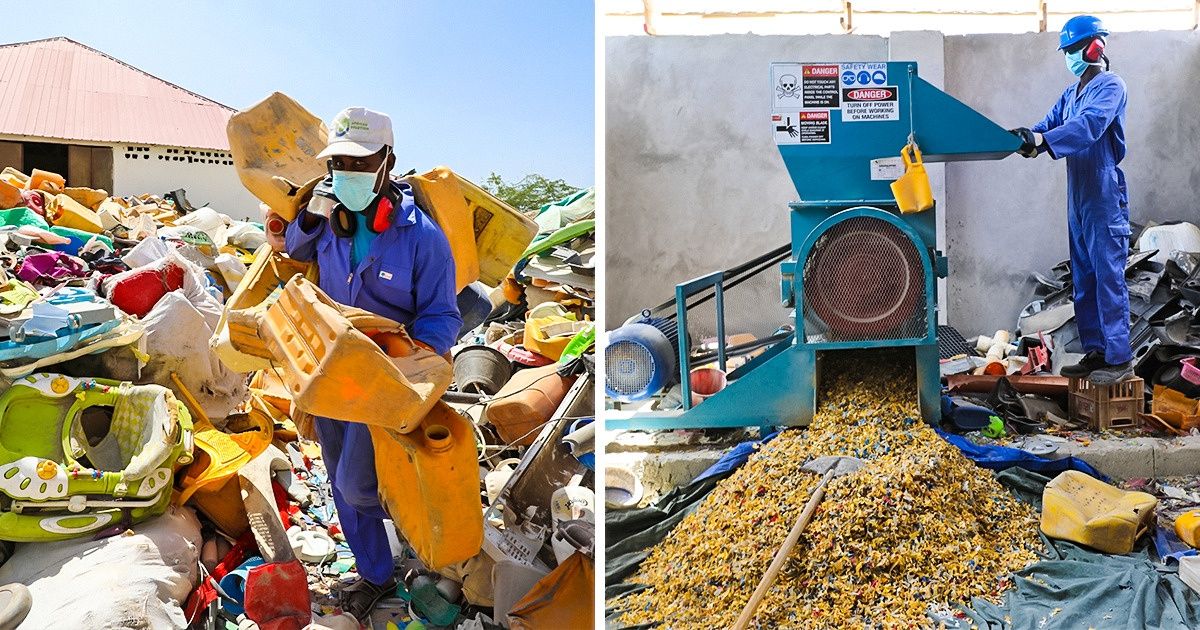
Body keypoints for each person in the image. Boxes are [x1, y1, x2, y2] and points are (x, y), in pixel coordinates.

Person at [285, 106, 462, 621]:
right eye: (340, 163)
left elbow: (441, 315)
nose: (349, 175)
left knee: (359, 483)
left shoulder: (422, 237)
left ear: (388, 163)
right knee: (340, 476)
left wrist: (412, 365)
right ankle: (376, 574)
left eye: (361, 164)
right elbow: (295, 246)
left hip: (387, 384)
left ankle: (408, 544)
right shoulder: (331, 220)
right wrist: (312, 214)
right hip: (333, 375)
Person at [1010, 15, 1131, 385]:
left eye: (1074, 49)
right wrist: (1026, 138)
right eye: (1066, 51)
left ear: (1095, 46)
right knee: (1085, 276)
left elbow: (1088, 127)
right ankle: (1096, 350)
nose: (1070, 56)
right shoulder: (1071, 92)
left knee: (1108, 273)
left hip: (1103, 192)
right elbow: (1048, 125)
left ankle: (1119, 358)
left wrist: (1044, 142)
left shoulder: (1111, 86)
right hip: (1078, 194)